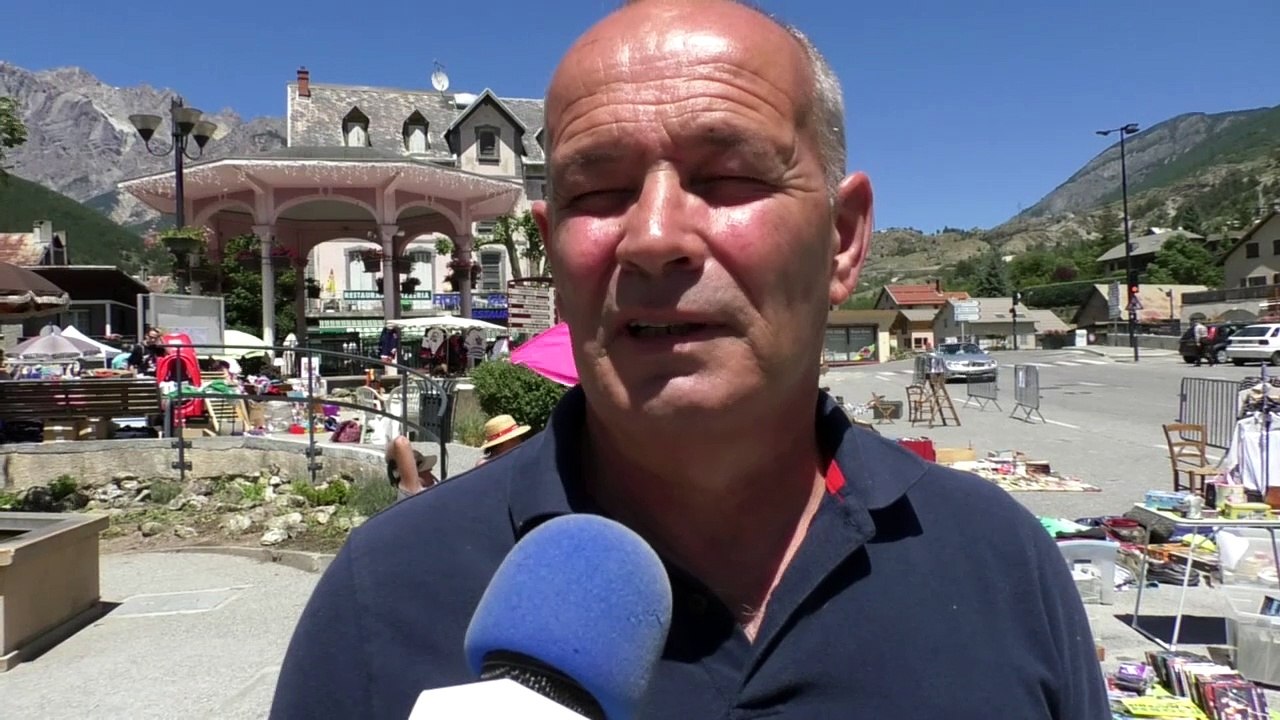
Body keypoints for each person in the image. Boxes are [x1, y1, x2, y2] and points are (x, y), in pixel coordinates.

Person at [271, 2, 1107, 718]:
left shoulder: (1001, 563)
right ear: (550, 245)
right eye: (596, 193)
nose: (655, 237)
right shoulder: (384, 592)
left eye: (730, 175)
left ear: (843, 240)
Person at [385, 435, 438, 502]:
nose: (430, 471)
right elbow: (401, 441)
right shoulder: (411, 492)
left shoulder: (428, 488)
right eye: (425, 471)